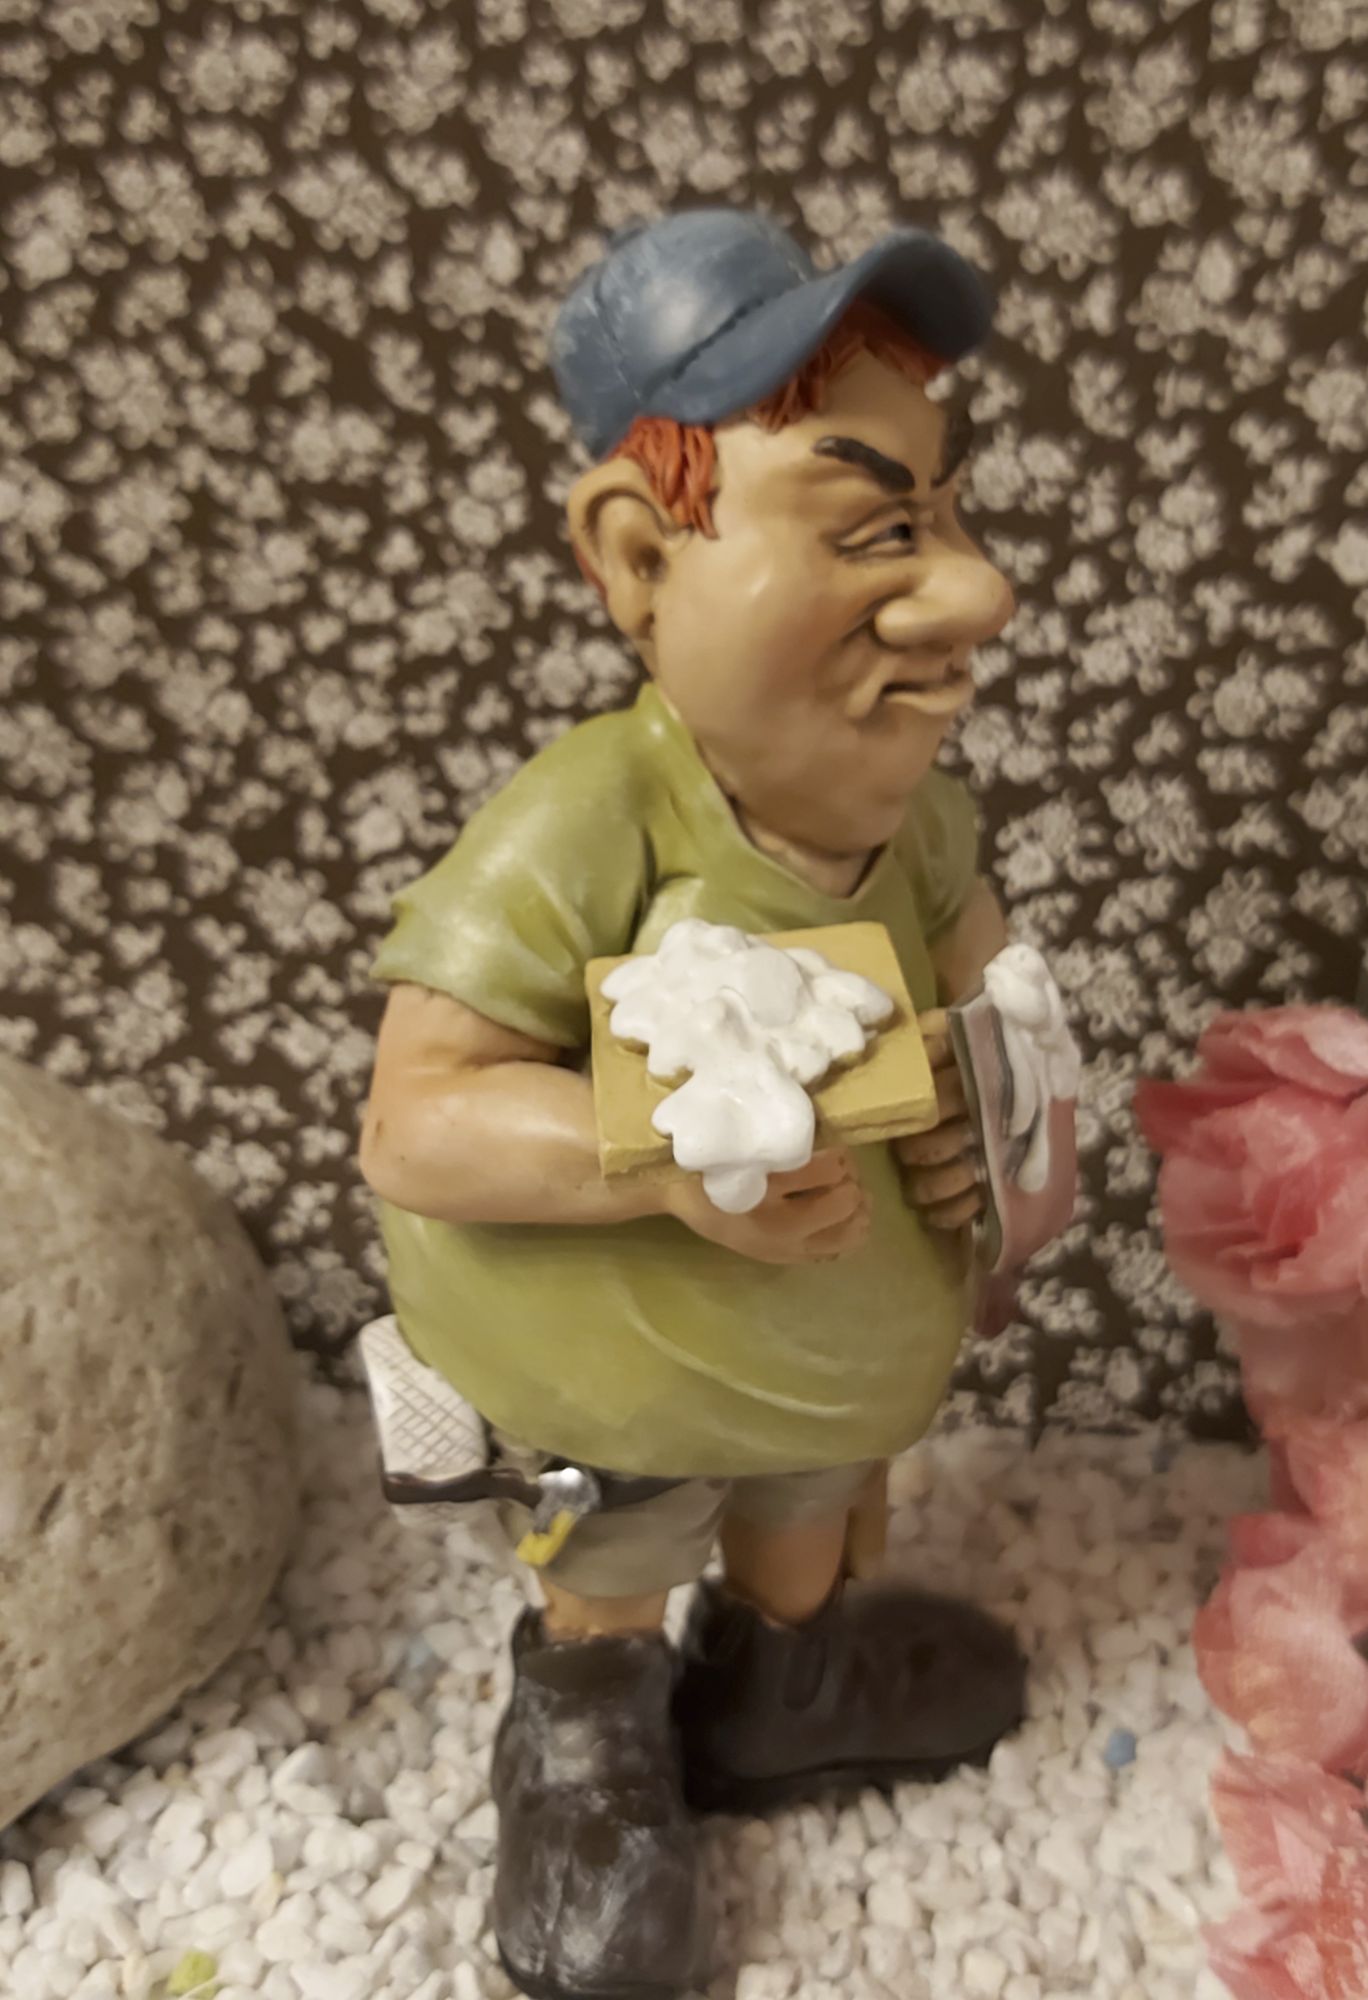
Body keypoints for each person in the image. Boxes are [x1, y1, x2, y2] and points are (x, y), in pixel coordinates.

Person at [360, 208, 1050, 2000]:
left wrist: (991, 1113)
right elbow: (416, 1120)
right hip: (631, 1380)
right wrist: (661, 1152)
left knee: (804, 1518)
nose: (972, 595)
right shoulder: (589, 823)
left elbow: (999, 1015)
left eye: (949, 516)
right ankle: (589, 1743)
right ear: (637, 555)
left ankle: (777, 1687)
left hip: (836, 1366)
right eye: (873, 530)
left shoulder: (927, 824)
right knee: (622, 1543)